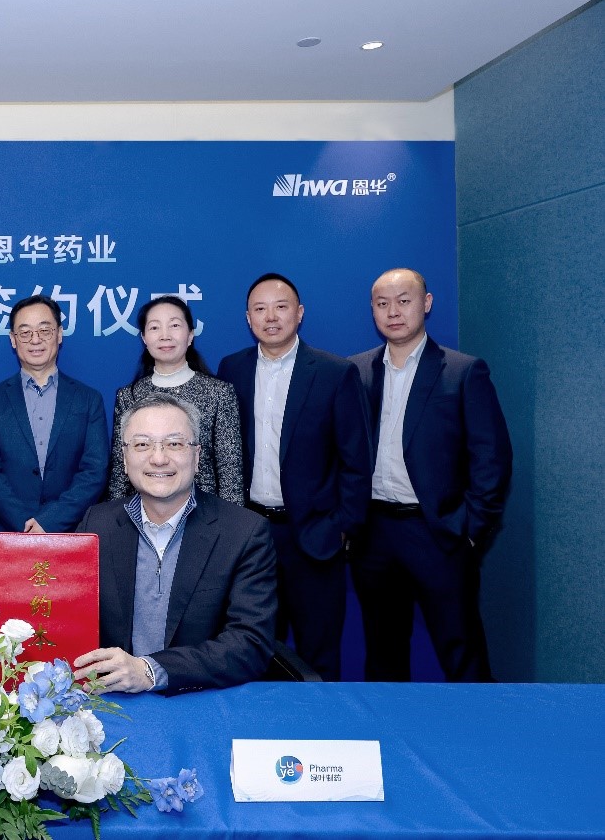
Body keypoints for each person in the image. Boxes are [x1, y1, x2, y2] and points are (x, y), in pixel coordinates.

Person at [0, 392, 277, 693]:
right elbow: (33, 595)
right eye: (142, 445)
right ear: (124, 457)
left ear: (197, 455)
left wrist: (149, 670)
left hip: (201, 700)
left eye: (174, 443)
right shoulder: (99, 523)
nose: (158, 458)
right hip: (111, 704)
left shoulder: (244, 532)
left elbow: (249, 643)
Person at [350, 268, 512, 682]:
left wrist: (470, 529)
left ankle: (479, 724)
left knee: (462, 654)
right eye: (382, 303)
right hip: (374, 534)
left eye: (404, 301)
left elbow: (491, 457)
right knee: (383, 655)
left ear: (426, 303)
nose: (393, 312)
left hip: (439, 532)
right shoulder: (356, 371)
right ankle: (390, 725)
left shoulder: (462, 371)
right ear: (372, 310)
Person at [216, 273, 371, 680]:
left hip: (315, 536)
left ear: (299, 313)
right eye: (260, 309)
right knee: (255, 649)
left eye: (281, 307)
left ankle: (323, 721)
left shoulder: (335, 372)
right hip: (252, 534)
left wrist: (342, 526)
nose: (271, 317)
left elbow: (356, 460)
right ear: (248, 318)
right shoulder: (232, 369)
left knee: (319, 653)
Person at [0, 295, 109, 534]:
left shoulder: (88, 399)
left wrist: (50, 521)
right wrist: (25, 523)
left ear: (59, 334)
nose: (35, 339)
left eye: (45, 330)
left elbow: (95, 470)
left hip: (71, 533)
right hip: (10, 534)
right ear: (13, 340)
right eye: (25, 332)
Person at [108, 295, 243, 505]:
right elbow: (120, 472)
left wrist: (230, 524)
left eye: (174, 325)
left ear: (190, 335)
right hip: (143, 513)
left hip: (205, 514)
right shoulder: (129, 396)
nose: (165, 336)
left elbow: (230, 473)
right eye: (155, 327)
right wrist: (116, 520)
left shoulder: (219, 393)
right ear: (144, 338)